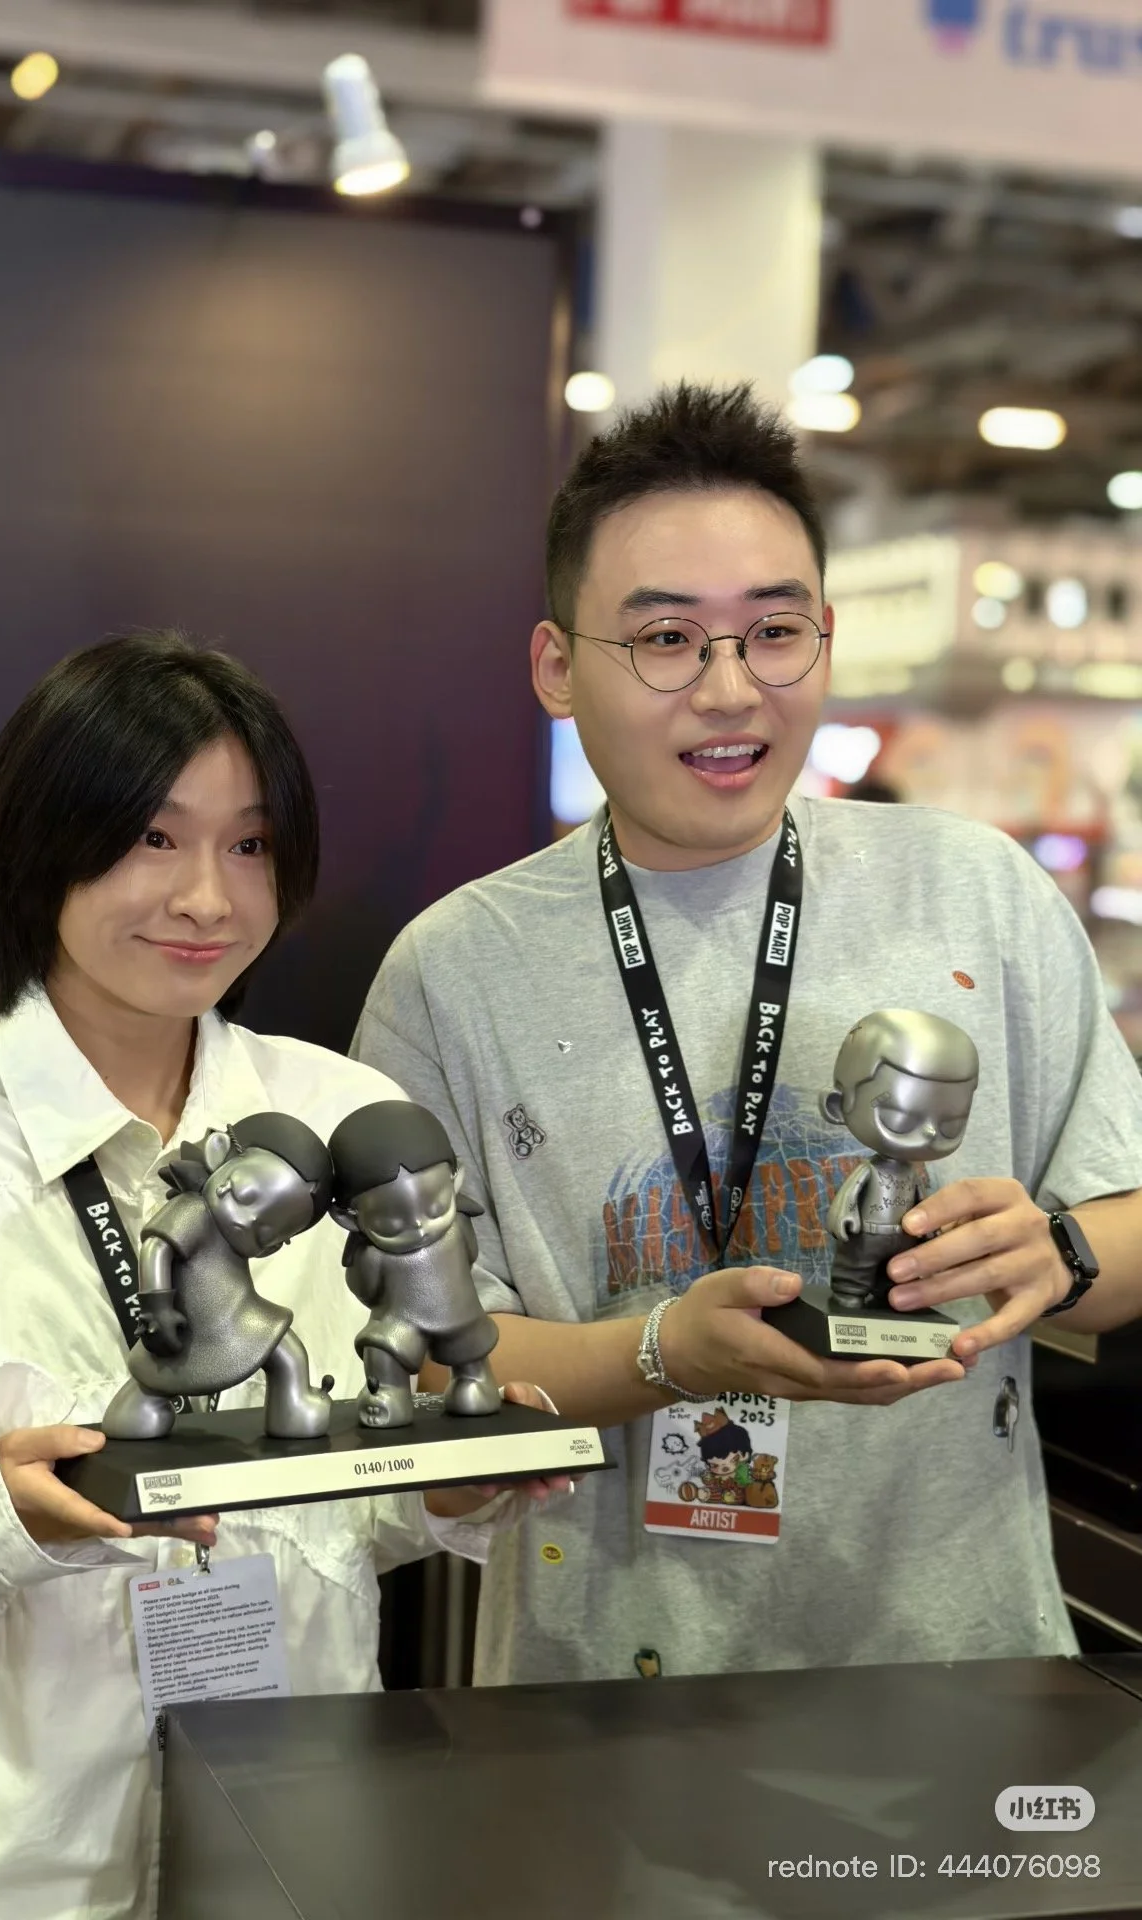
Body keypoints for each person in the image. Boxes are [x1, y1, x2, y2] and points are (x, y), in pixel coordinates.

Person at [354, 382, 1142, 1686]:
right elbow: (428, 1368)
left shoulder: (975, 891)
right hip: (603, 1690)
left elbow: (1128, 1213)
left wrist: (1054, 1248)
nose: (731, 692)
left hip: (956, 1669)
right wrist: (662, 1353)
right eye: (666, 640)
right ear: (557, 665)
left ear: (825, 639)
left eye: (775, 632)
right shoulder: (458, 970)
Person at [0, 632, 561, 1920]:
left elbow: (352, 1518)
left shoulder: (345, 1111)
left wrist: (454, 1485)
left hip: (292, 1840)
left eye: (249, 845)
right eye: (152, 836)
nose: (208, 897)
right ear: (43, 843)